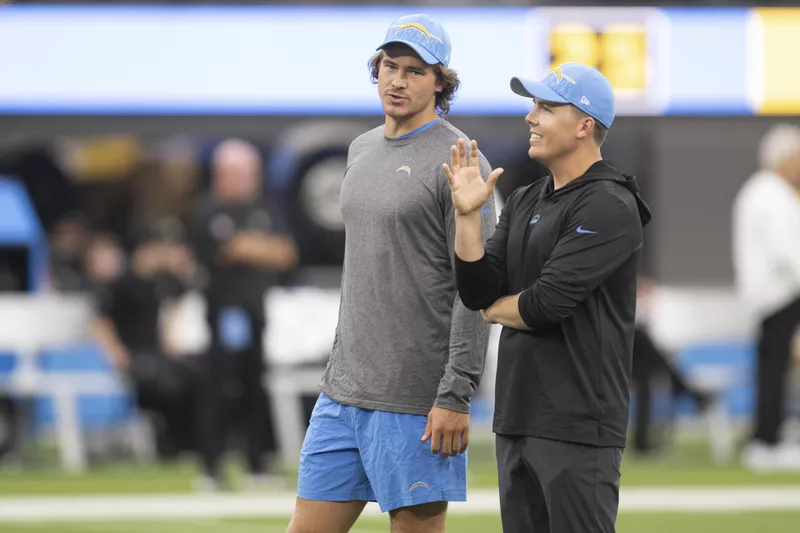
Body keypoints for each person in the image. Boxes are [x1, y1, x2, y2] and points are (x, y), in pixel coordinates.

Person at [287, 14, 496, 533]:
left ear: (440, 83)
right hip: (343, 392)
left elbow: (477, 289)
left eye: (414, 71)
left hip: (415, 400)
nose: (397, 80)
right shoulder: (360, 149)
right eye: (388, 66)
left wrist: (455, 394)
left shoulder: (461, 159)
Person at [445, 62, 652, 532]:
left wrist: (498, 309)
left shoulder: (609, 203)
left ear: (584, 125)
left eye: (545, 107)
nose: (530, 117)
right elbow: (478, 290)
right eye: (532, 105)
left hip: (577, 424)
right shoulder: (525, 199)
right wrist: (468, 217)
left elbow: (545, 305)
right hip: (516, 417)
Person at [193, 138, 299, 491]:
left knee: (255, 387)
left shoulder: (264, 209)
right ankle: (211, 465)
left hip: (256, 313)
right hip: (223, 313)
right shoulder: (209, 211)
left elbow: (285, 253)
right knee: (220, 387)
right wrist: (255, 248)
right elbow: (222, 251)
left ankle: (257, 464)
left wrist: (248, 247)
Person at [732, 123, 800, 471]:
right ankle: (767, 441)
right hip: (779, 296)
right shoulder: (771, 194)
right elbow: (788, 251)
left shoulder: (763, 191)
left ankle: (769, 437)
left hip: (770, 297)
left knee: (772, 370)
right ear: (784, 157)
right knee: (773, 371)